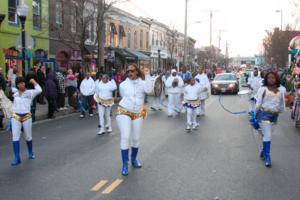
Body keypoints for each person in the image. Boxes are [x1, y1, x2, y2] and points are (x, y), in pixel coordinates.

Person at [116, 63, 152, 176]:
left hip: (138, 113)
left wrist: (147, 74)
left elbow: (149, 90)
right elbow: (123, 96)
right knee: (126, 136)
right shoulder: (123, 85)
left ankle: (133, 159)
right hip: (124, 111)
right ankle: (125, 164)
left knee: (136, 138)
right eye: (128, 71)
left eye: (132, 71)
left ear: (137, 71)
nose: (130, 73)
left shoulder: (143, 83)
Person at [255, 72, 285, 167]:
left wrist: (281, 110)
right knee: (267, 135)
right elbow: (258, 103)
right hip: (264, 115)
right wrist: (255, 114)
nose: (271, 79)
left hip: (274, 116)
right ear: (266, 79)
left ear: (276, 79)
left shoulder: (281, 89)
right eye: (269, 78)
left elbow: (282, 103)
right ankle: (267, 157)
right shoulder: (262, 89)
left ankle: (263, 151)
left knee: (268, 135)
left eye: (273, 78)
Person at [10, 77, 42, 166]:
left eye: (23, 83)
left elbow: (39, 90)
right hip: (15, 117)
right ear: (17, 85)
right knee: (15, 137)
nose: (21, 84)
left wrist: (34, 81)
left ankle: (30, 153)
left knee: (28, 136)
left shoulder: (30, 92)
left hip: (26, 117)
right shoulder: (14, 93)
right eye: (19, 83)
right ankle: (17, 157)